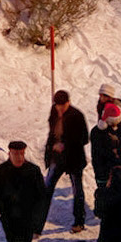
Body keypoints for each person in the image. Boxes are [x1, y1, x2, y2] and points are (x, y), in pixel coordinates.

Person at [44, 89, 89, 231]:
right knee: (47, 187)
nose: (60, 109)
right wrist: (51, 148)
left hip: (74, 158)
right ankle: (38, 221)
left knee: (77, 190)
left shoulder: (77, 115)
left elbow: (84, 138)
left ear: (68, 103)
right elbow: (52, 132)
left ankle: (79, 221)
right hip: (57, 158)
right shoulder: (53, 111)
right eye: (58, 106)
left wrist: (65, 145)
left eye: (63, 106)